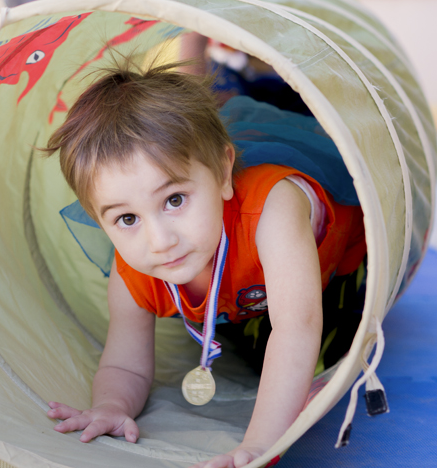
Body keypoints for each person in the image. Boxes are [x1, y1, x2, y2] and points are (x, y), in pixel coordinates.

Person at [41, 60, 366, 467]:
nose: (160, 241)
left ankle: (255, 80)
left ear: (223, 173)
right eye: (127, 219)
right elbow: (125, 362)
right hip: (248, 297)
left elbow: (297, 327)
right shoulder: (133, 273)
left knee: (338, 357)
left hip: (338, 268)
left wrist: (261, 443)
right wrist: (110, 406)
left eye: (174, 200)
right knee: (250, 347)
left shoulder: (273, 210)